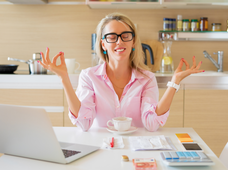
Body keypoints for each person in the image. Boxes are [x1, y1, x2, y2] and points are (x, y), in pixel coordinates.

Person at [39, 13, 204, 132]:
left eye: (125, 36)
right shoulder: (89, 76)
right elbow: (83, 123)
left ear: (133, 42)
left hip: (137, 149)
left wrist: (174, 82)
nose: (119, 41)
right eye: (112, 36)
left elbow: (152, 124)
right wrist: (64, 78)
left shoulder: (147, 79)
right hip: (101, 147)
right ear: (103, 44)